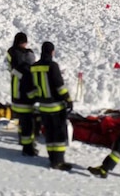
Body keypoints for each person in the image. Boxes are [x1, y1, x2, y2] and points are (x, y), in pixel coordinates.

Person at [30, 41, 73, 171]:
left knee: (49, 134)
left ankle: (52, 159)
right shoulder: (52, 66)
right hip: (56, 107)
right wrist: (68, 100)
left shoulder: (34, 67)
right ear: (52, 52)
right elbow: (60, 86)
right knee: (59, 134)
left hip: (43, 107)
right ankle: (59, 161)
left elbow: (33, 88)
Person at [6, 32, 38, 157]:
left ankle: (24, 140)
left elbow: (11, 68)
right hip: (27, 88)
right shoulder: (26, 53)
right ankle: (27, 144)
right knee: (27, 119)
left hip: (17, 88)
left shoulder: (11, 52)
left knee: (22, 118)